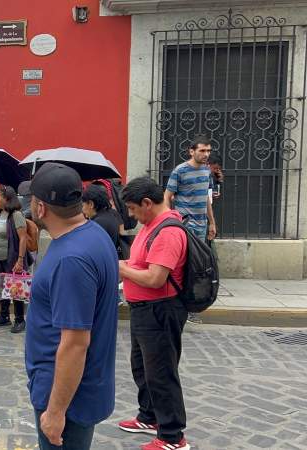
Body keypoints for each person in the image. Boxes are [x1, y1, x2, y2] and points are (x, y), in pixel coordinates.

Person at [23, 163, 119, 450]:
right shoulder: (93, 234)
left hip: (66, 396)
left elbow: (75, 342)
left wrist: (55, 412)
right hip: (78, 389)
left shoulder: (71, 260)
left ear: (41, 209)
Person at [118, 177, 191, 450]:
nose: (131, 215)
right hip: (143, 310)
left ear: (147, 203)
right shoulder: (151, 226)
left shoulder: (168, 231)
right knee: (143, 367)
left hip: (160, 310)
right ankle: (149, 416)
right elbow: (139, 263)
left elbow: (155, 278)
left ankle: (173, 436)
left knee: (161, 372)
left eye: (134, 209)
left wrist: (120, 269)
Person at [164, 134, 216, 325]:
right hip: (184, 226)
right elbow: (167, 196)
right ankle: (179, 303)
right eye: (202, 150)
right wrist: (170, 220)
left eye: (208, 150)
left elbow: (206, 199)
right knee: (183, 266)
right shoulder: (180, 171)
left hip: (201, 226)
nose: (206, 154)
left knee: (197, 267)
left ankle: (191, 305)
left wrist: (212, 222)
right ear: (191, 151)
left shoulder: (207, 171)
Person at [0, 186, 30, 333]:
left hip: (12, 258)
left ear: (7, 199)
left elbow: (23, 238)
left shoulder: (16, 215)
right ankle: (4, 316)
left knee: (15, 288)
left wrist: (20, 260)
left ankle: (19, 320)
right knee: (2, 287)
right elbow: (0, 232)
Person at [82, 183, 122, 252]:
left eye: (83, 205)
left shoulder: (97, 223)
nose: (82, 210)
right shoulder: (112, 214)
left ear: (91, 204)